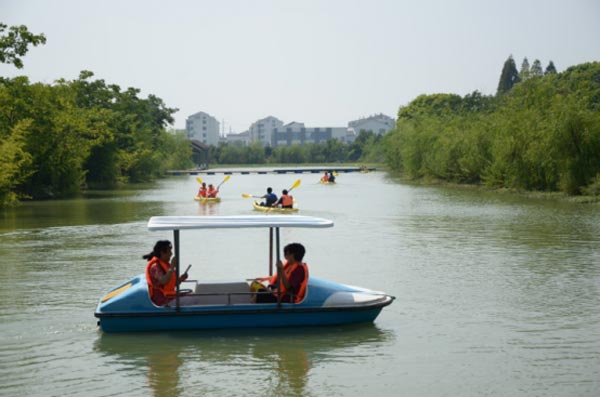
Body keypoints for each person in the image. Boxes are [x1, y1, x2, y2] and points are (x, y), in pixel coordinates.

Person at [144, 240, 189, 306]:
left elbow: (171, 284)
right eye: (169, 251)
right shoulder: (155, 266)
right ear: (162, 253)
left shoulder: (166, 265)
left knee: (193, 295)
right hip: (162, 301)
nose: (171, 254)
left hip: (170, 296)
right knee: (195, 299)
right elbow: (164, 281)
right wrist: (172, 266)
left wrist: (181, 279)